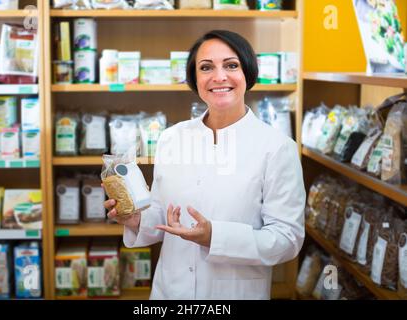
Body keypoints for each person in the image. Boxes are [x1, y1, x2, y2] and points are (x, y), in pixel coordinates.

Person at [104, 30, 305, 300]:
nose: (219, 77)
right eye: (206, 67)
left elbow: (287, 239)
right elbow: (164, 215)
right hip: (170, 292)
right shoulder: (171, 138)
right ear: (195, 78)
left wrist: (215, 236)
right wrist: (136, 219)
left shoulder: (277, 147)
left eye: (231, 65)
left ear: (248, 72)